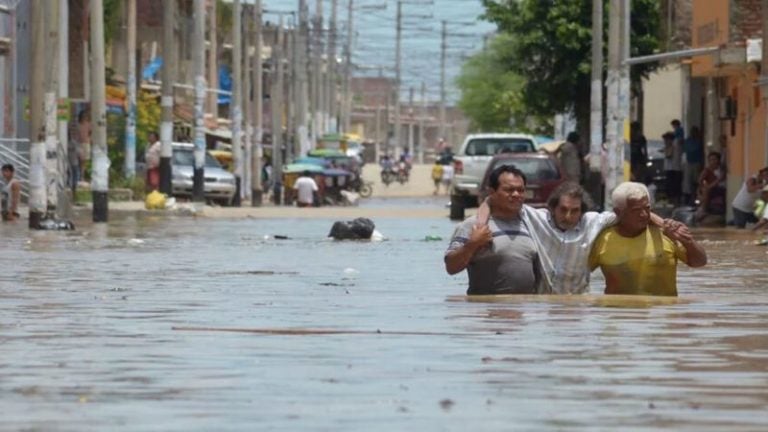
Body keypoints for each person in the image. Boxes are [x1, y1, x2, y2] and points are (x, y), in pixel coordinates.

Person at [476, 181, 677, 294]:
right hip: (544, 309)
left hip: (580, 307)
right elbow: (490, 201)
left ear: (582, 211)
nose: (568, 216)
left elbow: (634, 211)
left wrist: (666, 225)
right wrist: (480, 228)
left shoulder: (593, 222)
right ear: (552, 208)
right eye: (563, 210)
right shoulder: (535, 218)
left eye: (575, 211)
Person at [589, 182, 707, 296]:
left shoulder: (666, 234)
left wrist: (688, 241)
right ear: (618, 212)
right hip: (620, 314)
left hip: (662, 313)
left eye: (647, 208)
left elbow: (699, 262)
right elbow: (578, 276)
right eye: (636, 211)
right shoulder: (602, 241)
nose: (644, 214)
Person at [444, 165, 540, 295]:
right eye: (509, 190)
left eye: (521, 190)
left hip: (524, 309)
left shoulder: (531, 223)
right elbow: (451, 267)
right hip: (487, 308)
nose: (516, 194)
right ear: (492, 192)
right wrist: (472, 244)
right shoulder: (473, 225)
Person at [695, 152, 726, 221]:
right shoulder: (707, 170)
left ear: (718, 160)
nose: (712, 162)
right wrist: (699, 192)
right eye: (711, 160)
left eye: (714, 159)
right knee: (703, 190)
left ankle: (703, 209)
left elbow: (719, 180)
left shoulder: (721, 170)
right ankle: (701, 208)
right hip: (710, 189)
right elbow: (700, 181)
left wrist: (708, 187)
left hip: (720, 188)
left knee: (706, 190)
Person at [682, 125, 704, 205]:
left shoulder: (698, 141)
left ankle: (694, 197)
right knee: (688, 182)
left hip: (696, 162)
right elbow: (686, 149)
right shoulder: (689, 140)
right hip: (689, 162)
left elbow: (695, 149)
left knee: (695, 181)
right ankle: (688, 198)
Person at [662, 130, 682, 204]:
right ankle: (673, 201)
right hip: (672, 168)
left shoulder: (673, 146)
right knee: (672, 186)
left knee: (673, 186)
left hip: (673, 169)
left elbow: (668, 155)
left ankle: (674, 201)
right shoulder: (674, 146)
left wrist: (666, 148)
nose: (665, 141)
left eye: (666, 140)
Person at [77, 108, 92, 182]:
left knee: (84, 161)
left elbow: (90, 133)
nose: (84, 117)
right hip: (79, 144)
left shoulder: (88, 124)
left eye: (85, 116)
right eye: (83, 116)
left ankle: (82, 176)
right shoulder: (78, 124)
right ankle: (79, 176)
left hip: (86, 144)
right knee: (79, 160)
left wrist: (89, 139)